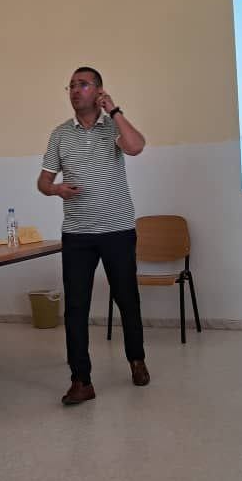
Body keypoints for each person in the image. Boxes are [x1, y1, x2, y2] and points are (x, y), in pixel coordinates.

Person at [37, 66, 150, 406]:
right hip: (77, 235)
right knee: (75, 308)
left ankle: (136, 360)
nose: (75, 90)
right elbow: (43, 182)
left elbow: (136, 147)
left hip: (117, 230)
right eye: (71, 85)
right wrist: (56, 189)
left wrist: (114, 110)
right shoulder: (60, 134)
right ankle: (81, 380)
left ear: (99, 91)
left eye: (83, 84)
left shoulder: (113, 126)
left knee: (127, 299)